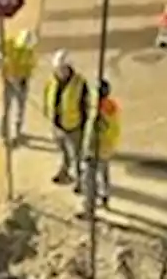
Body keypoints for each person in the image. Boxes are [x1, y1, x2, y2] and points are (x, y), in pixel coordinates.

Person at [43, 50, 89, 186]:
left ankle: (80, 181)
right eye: (58, 69)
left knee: (77, 155)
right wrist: (47, 112)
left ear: (69, 67)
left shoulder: (80, 84)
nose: (60, 72)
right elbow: (47, 96)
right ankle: (64, 172)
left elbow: (86, 105)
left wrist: (84, 125)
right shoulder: (51, 81)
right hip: (57, 124)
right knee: (63, 151)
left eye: (63, 68)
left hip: (74, 126)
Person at [0, 27, 37, 146]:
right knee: (5, 110)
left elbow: (28, 71)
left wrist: (22, 84)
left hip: (20, 83)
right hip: (6, 82)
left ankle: (18, 133)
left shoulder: (30, 53)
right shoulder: (9, 44)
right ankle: (3, 136)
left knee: (20, 109)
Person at [84, 78, 121, 209]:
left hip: (98, 147)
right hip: (106, 147)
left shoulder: (100, 110)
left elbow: (98, 130)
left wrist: (90, 147)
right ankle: (105, 196)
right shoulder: (111, 106)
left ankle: (91, 204)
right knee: (103, 172)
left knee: (91, 176)